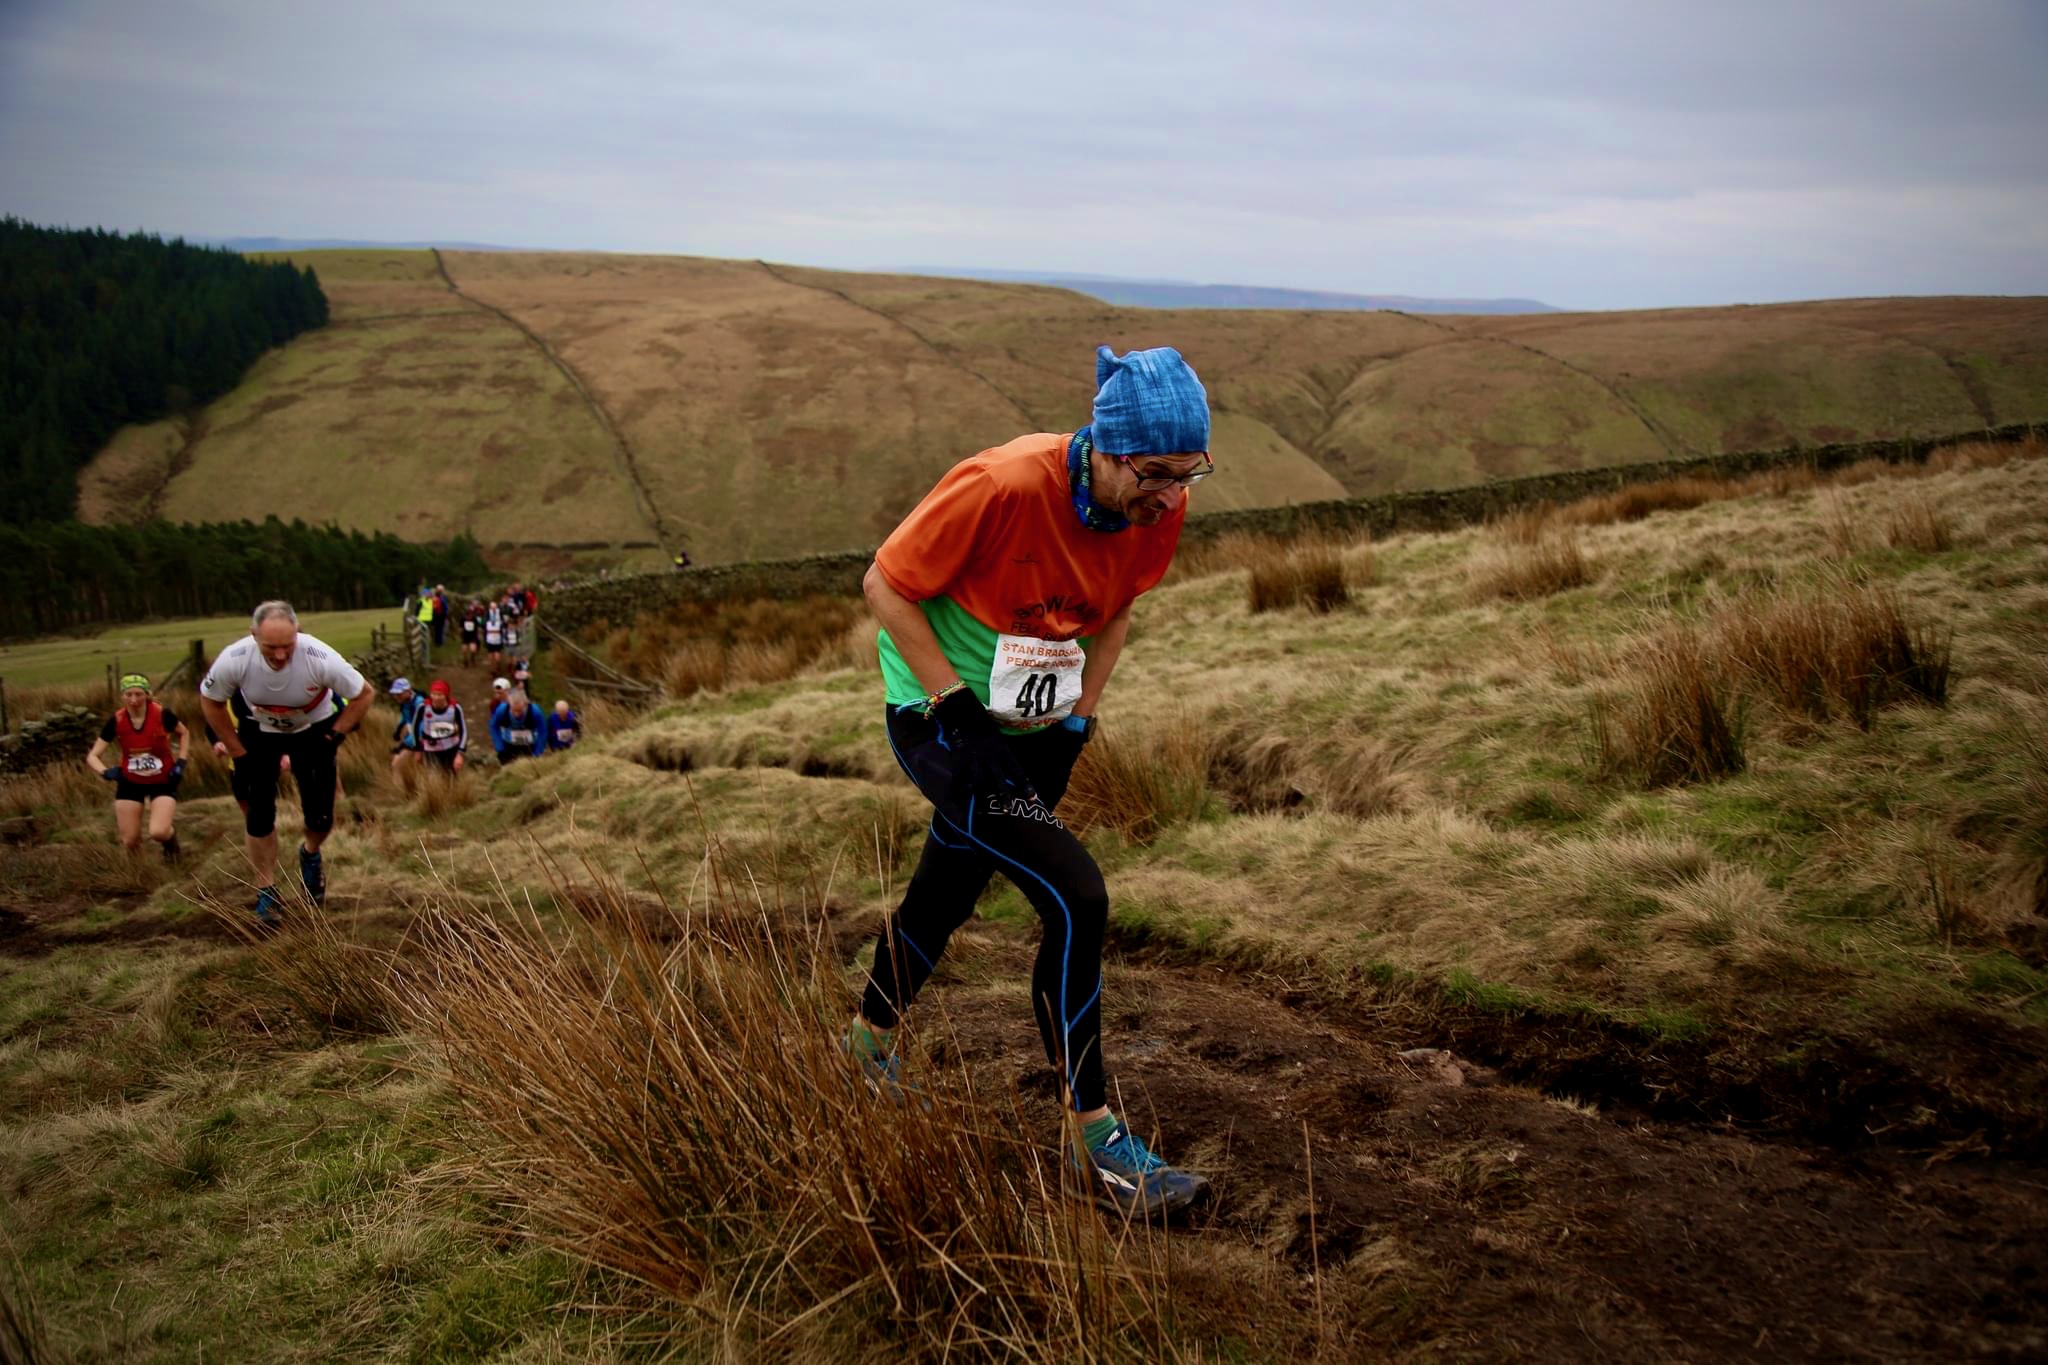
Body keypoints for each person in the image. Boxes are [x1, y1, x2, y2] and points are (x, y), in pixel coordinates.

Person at [847, 345, 1216, 1218]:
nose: (1171, 496)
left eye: (1190, 474)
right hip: (944, 723)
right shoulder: (1003, 485)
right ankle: (1099, 1142)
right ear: (1109, 450)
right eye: (1157, 475)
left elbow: (1119, 603)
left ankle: (866, 1043)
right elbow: (884, 586)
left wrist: (1081, 716)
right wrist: (954, 709)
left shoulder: (1159, 506)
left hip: (1036, 727)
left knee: (948, 888)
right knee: (1076, 894)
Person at [199, 601, 374, 925]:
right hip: (259, 733)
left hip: (313, 732)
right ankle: (267, 889)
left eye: (287, 646)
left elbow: (364, 694)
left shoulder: (320, 656)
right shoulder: (234, 659)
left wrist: (334, 736)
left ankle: (309, 853)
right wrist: (236, 749)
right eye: (270, 647)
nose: (280, 655)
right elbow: (210, 701)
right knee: (259, 814)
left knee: (321, 817)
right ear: (253, 636)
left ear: (298, 633)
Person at [86, 673, 190, 862]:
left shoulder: (162, 714)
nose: (134, 700)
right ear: (122, 696)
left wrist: (181, 762)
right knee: (130, 841)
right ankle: (139, 873)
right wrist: (106, 772)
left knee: (158, 832)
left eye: (139, 694)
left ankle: (171, 844)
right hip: (130, 781)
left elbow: (184, 733)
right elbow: (93, 756)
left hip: (163, 780)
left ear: (147, 695)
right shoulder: (116, 720)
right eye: (129, 695)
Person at [415, 680, 467, 773]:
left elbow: (463, 730)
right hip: (431, 748)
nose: (436, 698)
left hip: (450, 748)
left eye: (440, 695)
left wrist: (460, 754)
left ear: (446, 696)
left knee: (450, 777)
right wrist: (418, 749)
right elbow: (414, 727)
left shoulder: (455, 708)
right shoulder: (423, 707)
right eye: (434, 694)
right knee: (434, 777)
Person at [489, 688, 545, 766]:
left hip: (529, 747)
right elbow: (493, 726)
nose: (516, 714)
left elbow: (542, 732)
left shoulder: (535, 712)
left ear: (526, 704)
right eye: (513, 710)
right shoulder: (502, 710)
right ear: (509, 704)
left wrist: (538, 752)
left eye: (520, 710)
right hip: (508, 747)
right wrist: (499, 747)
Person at [388, 677, 423, 779]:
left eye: (399, 694)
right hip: (412, 738)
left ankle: (397, 792)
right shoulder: (405, 704)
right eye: (395, 694)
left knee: (396, 765)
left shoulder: (419, 703)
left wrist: (409, 743)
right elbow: (405, 718)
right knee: (398, 763)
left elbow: (422, 726)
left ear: (408, 691)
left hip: (418, 740)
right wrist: (398, 730)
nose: (396, 696)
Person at [483, 600, 505, 671]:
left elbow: (503, 622)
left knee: (497, 653)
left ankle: (497, 666)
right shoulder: (487, 613)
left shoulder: (500, 612)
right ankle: (492, 668)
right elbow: (483, 623)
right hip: (489, 637)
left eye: (494, 607)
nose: (493, 609)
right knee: (490, 654)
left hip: (498, 637)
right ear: (490, 607)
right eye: (492, 607)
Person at [459, 602, 480, 668]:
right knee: (464, 650)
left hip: (473, 636)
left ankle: (472, 658)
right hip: (465, 636)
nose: (469, 617)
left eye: (471, 615)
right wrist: (461, 634)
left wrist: (477, 636)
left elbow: (477, 628)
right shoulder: (462, 619)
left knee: (473, 650)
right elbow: (460, 627)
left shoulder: (474, 619)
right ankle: (465, 661)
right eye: (468, 615)